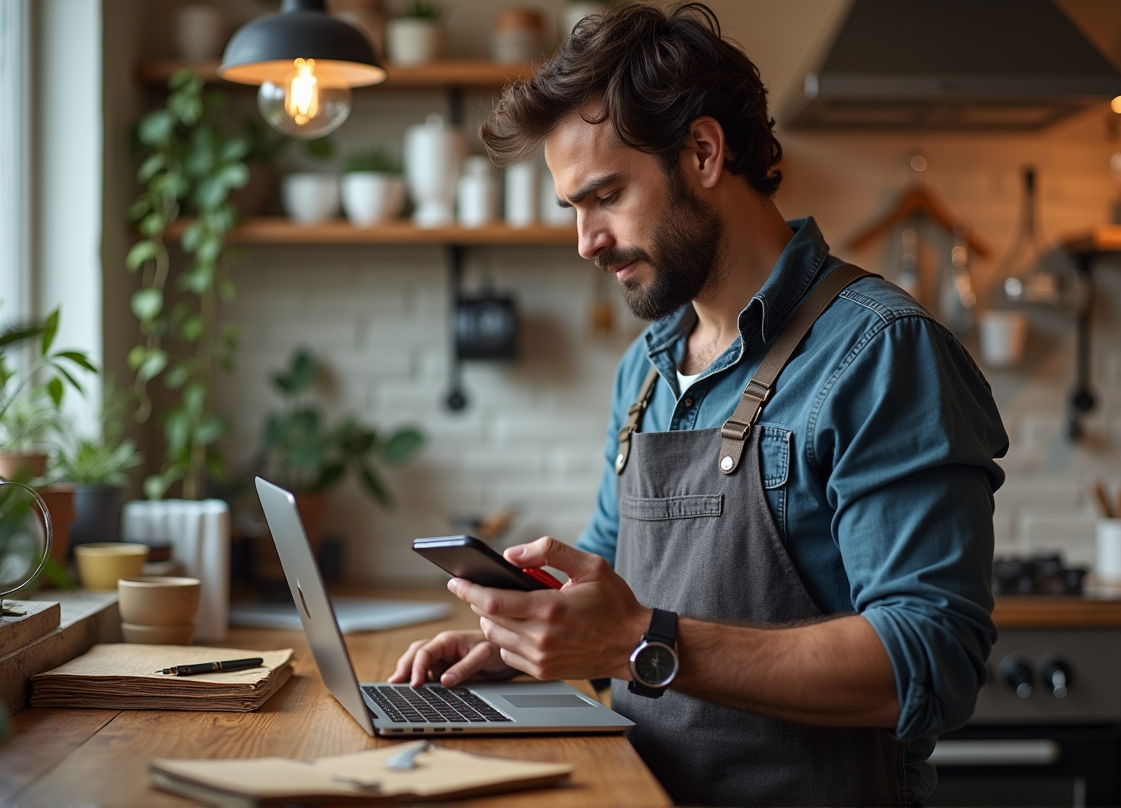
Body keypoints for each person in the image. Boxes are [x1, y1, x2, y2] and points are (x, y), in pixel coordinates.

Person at [389, 4, 1009, 805]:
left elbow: (931, 659)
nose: (586, 240)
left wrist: (638, 642)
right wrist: (526, 637)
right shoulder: (643, 371)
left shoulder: (881, 353)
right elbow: (611, 580)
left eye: (605, 195)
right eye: (572, 208)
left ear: (705, 152)